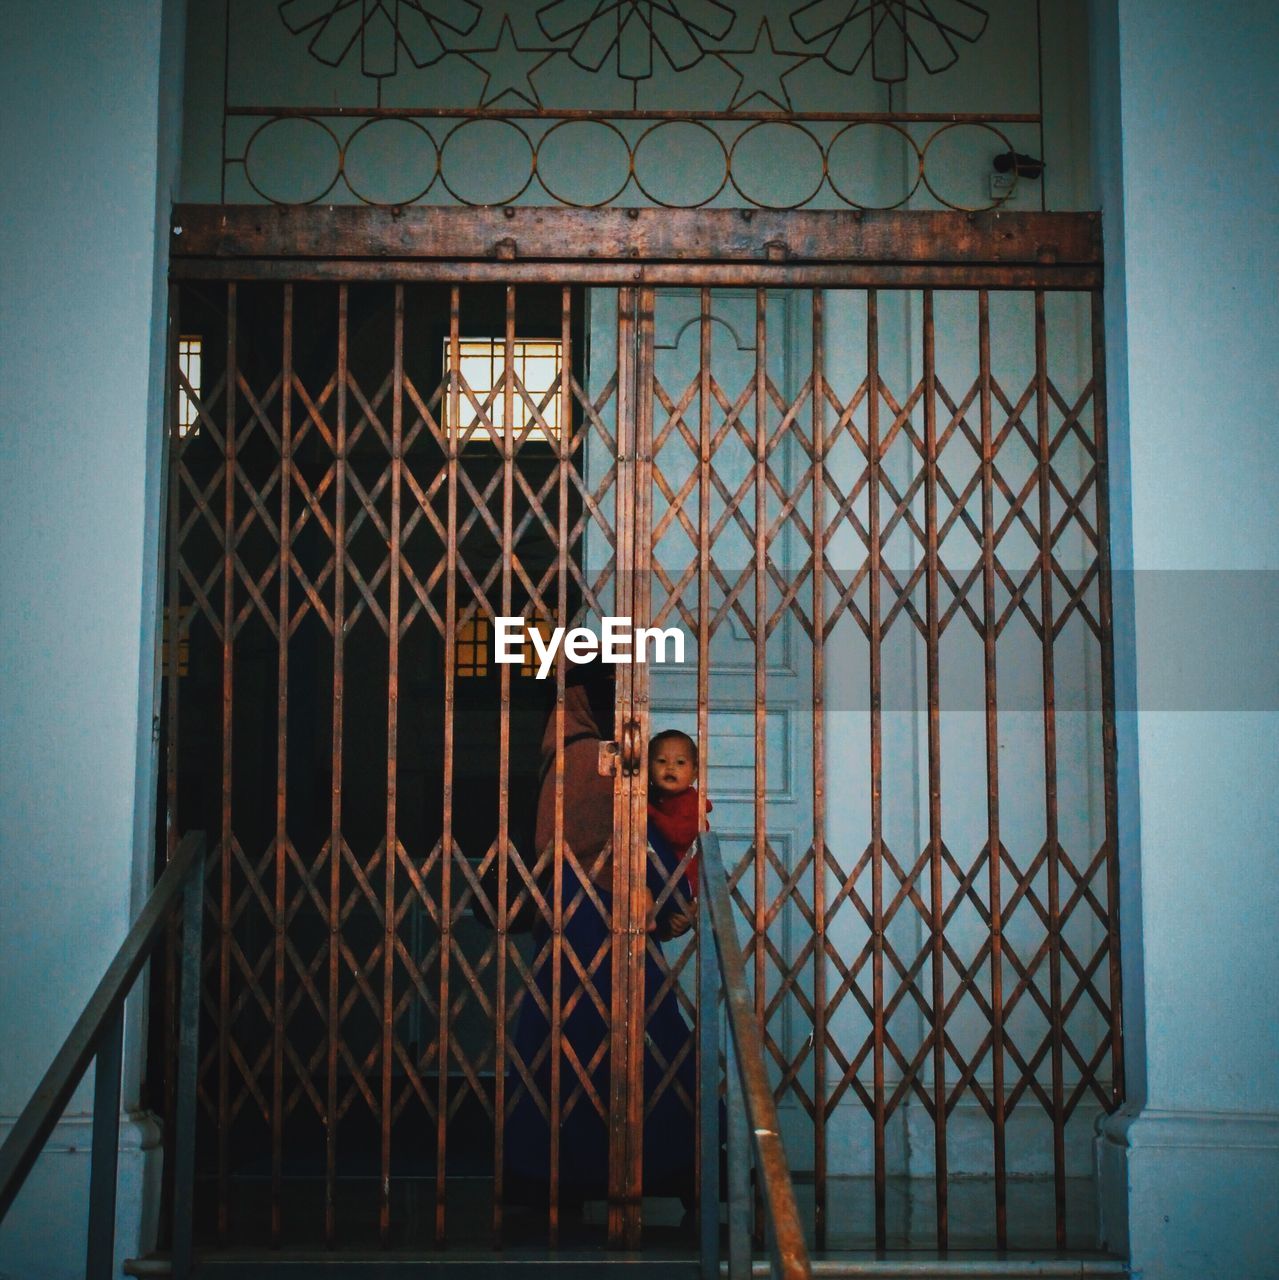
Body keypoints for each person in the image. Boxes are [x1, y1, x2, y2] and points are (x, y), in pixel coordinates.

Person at [504, 662, 700, 1215]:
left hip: (573, 918)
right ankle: (667, 1166)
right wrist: (667, 903)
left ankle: (560, 1177)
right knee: (637, 1039)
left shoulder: (560, 751)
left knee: (567, 1042)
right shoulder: (594, 757)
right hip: (603, 919)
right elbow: (623, 840)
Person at [646, 729, 713, 902]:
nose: (670, 767)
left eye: (680, 762)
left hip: (683, 880)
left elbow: (679, 836)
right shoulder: (655, 796)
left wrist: (648, 812)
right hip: (662, 875)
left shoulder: (691, 803)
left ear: (694, 773)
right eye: (661, 761)